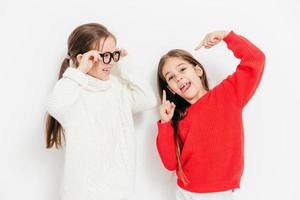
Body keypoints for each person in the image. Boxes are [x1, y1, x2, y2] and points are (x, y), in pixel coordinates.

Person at [45, 23, 156, 200]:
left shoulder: (118, 89)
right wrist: (79, 70)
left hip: (119, 191)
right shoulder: (74, 92)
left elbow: (147, 99)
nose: (111, 61)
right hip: (82, 193)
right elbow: (56, 106)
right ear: (84, 58)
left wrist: (125, 64)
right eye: (104, 56)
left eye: (113, 55)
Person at [156, 30, 265, 200]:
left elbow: (256, 59)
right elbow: (170, 164)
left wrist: (227, 36)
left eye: (182, 69)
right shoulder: (178, 118)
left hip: (224, 193)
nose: (178, 78)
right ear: (171, 89)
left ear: (198, 70)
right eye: (171, 78)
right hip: (187, 194)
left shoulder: (228, 94)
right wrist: (165, 123)